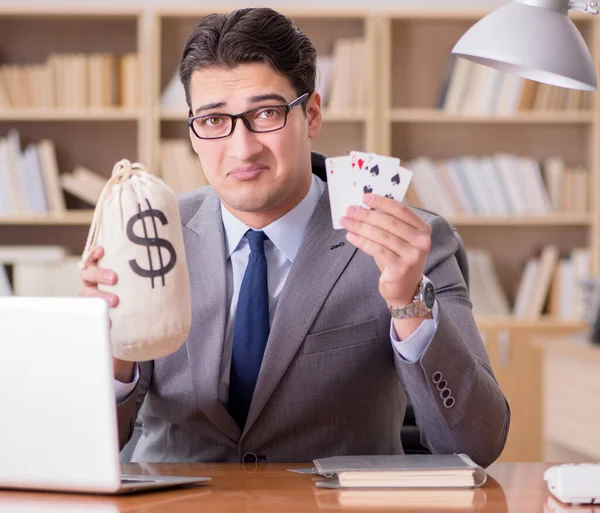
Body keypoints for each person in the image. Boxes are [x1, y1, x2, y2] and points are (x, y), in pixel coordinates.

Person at [80, 7, 510, 465]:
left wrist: (409, 304)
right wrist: (114, 346)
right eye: (213, 120)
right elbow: (84, 449)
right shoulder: (151, 232)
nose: (242, 148)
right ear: (193, 133)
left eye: (266, 113)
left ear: (312, 114)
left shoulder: (407, 242)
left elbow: (477, 445)